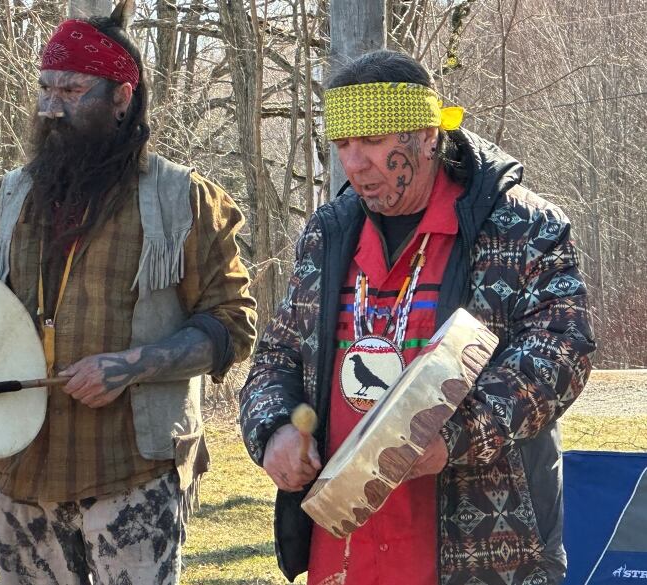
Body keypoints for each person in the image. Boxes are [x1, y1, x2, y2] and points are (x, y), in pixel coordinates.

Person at [239, 49, 595, 585]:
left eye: (374, 144)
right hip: (346, 551)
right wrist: (275, 430)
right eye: (343, 145)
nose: (354, 165)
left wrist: (453, 434)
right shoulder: (327, 232)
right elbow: (278, 356)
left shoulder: (523, 227)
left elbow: (561, 353)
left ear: (428, 135)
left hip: (478, 553)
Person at [0, 5, 257, 584]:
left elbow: (233, 324)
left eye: (71, 89)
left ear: (122, 98)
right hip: (22, 479)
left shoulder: (183, 200)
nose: (50, 107)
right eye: (44, 88)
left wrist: (132, 365)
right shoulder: (6, 200)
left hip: (132, 475)